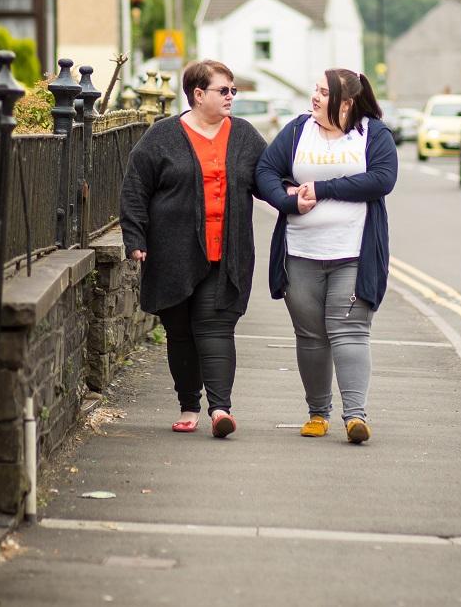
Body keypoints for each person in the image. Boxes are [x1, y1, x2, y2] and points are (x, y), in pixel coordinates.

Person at [120, 59, 266, 438]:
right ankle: (189, 404)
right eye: (224, 90)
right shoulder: (162, 136)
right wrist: (135, 238)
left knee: (216, 326)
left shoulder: (245, 136)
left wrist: (293, 196)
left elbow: (267, 179)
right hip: (173, 253)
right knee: (180, 331)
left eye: (233, 90)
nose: (231, 96)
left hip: (227, 254)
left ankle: (220, 410)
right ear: (198, 95)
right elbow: (136, 188)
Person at [256, 68, 398, 444]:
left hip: (354, 254)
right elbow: (265, 172)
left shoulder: (373, 134)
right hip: (300, 252)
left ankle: (355, 417)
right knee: (311, 336)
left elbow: (382, 178)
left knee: (350, 331)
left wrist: (322, 188)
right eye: (315, 90)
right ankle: (318, 414)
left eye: (323, 92)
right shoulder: (298, 130)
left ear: (346, 102)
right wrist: (288, 199)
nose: (315, 97)